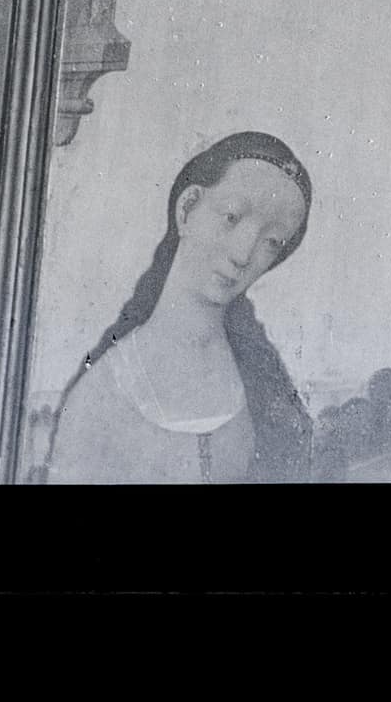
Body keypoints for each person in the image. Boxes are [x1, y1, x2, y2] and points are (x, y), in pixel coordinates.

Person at [30, 128, 318, 483]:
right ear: (186, 209)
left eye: (271, 241)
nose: (243, 253)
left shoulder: (263, 381)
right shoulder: (101, 393)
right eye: (231, 217)